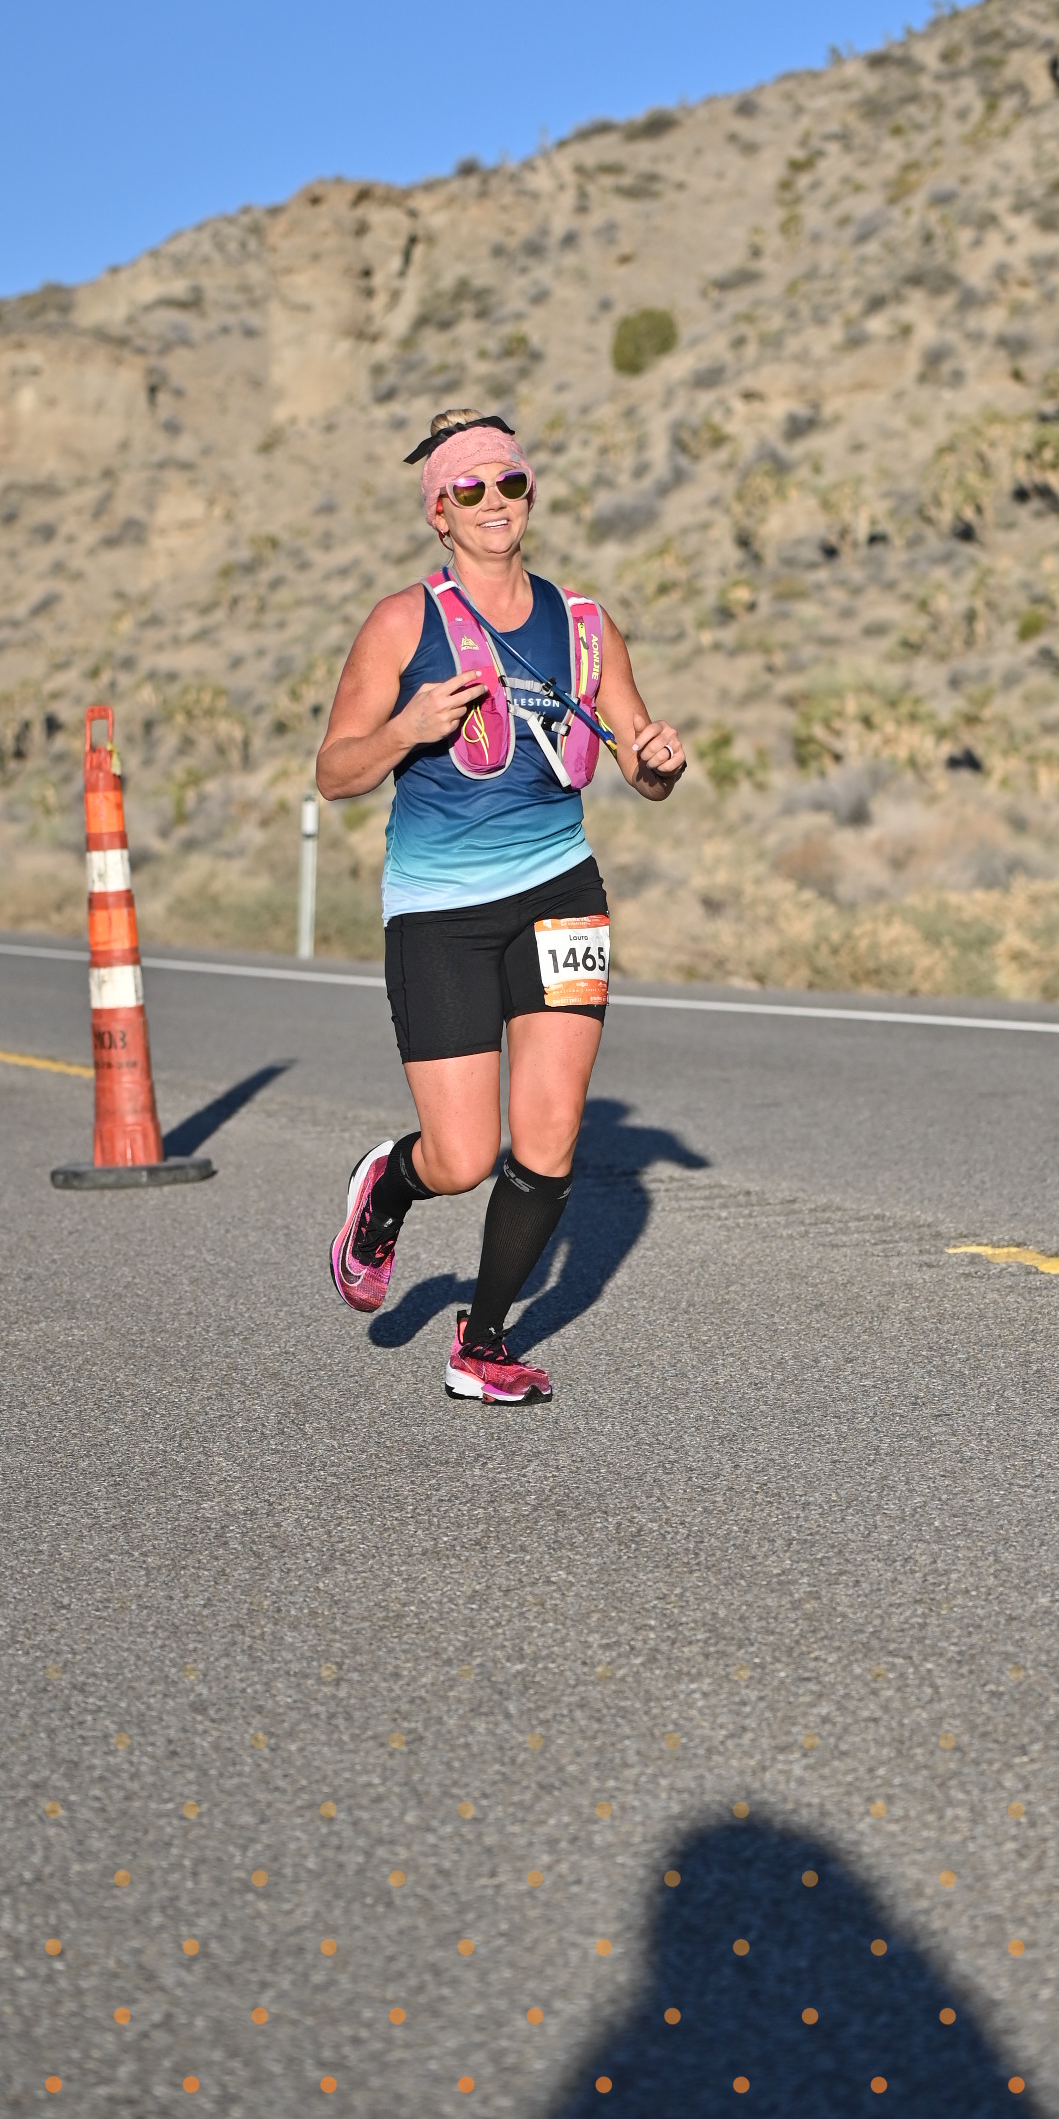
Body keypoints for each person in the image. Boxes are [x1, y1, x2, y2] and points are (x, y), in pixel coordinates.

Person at [315, 409, 686, 1401]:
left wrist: (659, 763)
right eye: (468, 489)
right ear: (438, 513)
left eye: (509, 483)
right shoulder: (403, 624)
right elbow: (335, 772)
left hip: (561, 893)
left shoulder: (584, 626)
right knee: (464, 1155)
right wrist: (406, 728)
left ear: (529, 495)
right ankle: (390, 1186)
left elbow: (640, 765)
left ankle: (482, 1343)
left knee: (551, 1135)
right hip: (440, 913)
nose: (493, 502)